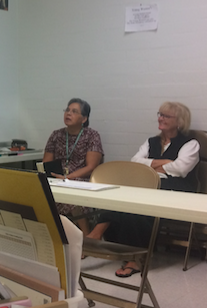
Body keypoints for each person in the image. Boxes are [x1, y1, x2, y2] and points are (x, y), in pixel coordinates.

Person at [86, 101, 199, 277]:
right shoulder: (151, 141)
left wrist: (150, 166)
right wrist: (165, 163)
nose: (160, 118)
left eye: (166, 116)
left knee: (139, 204)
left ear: (179, 121)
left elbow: (180, 169)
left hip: (176, 190)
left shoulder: (190, 144)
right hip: (148, 185)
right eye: (159, 114)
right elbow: (135, 162)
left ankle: (132, 256)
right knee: (123, 195)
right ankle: (98, 235)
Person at [42, 98, 104, 234]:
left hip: (81, 180)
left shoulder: (92, 135)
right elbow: (46, 163)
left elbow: (91, 167)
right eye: (67, 110)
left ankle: (85, 237)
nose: (68, 113)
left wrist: (68, 177)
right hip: (57, 178)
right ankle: (51, 236)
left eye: (74, 111)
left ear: (84, 119)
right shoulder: (56, 134)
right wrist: (55, 177)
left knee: (73, 199)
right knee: (40, 194)